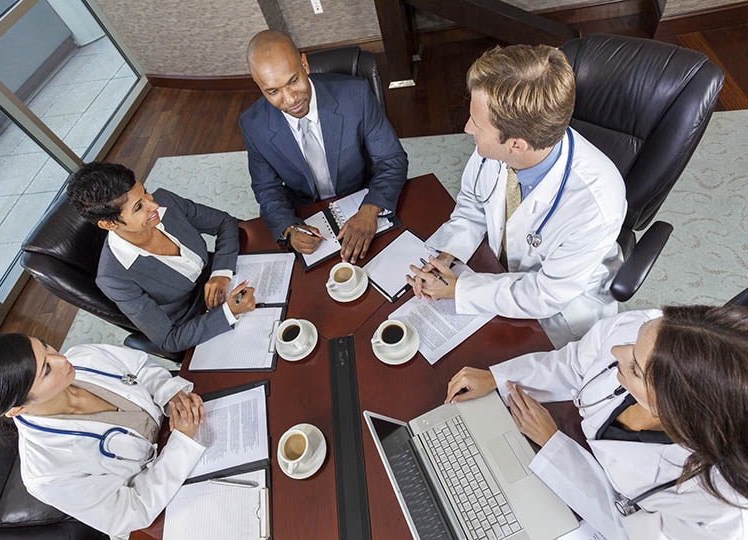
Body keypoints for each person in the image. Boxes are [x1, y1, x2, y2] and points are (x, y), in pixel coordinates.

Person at [444, 305, 748, 539]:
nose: (617, 351)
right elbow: (576, 362)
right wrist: (498, 378)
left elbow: (630, 529)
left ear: (674, 408)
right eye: (637, 337)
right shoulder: (651, 334)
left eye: (635, 368)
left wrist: (555, 447)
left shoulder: (717, 512)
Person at [407, 44, 626, 348]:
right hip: (500, 271)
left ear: (517, 145)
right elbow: (472, 203)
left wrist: (461, 290)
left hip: (560, 311)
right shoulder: (496, 150)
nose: (467, 127)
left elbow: (544, 295)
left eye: (477, 126)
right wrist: (447, 254)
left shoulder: (596, 204)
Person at [0, 334, 206, 539]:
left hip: (186, 431)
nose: (61, 359)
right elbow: (132, 511)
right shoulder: (46, 474)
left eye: (46, 347)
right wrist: (181, 444)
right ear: (18, 408)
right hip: (169, 503)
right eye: (46, 370)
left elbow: (140, 366)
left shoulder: (84, 356)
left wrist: (170, 394)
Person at [239, 30, 408, 263]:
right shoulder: (252, 124)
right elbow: (266, 187)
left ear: (304, 64)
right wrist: (288, 228)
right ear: (258, 85)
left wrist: (370, 210)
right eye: (273, 91)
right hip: (306, 209)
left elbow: (391, 159)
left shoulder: (356, 95)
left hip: (360, 194)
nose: (290, 100)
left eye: (293, 81)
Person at [67, 162, 255, 354]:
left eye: (145, 192)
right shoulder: (114, 278)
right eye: (139, 207)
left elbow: (225, 222)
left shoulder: (165, 200)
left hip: (225, 272)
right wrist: (228, 312)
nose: (154, 204)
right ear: (108, 224)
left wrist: (221, 273)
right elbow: (169, 340)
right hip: (196, 318)